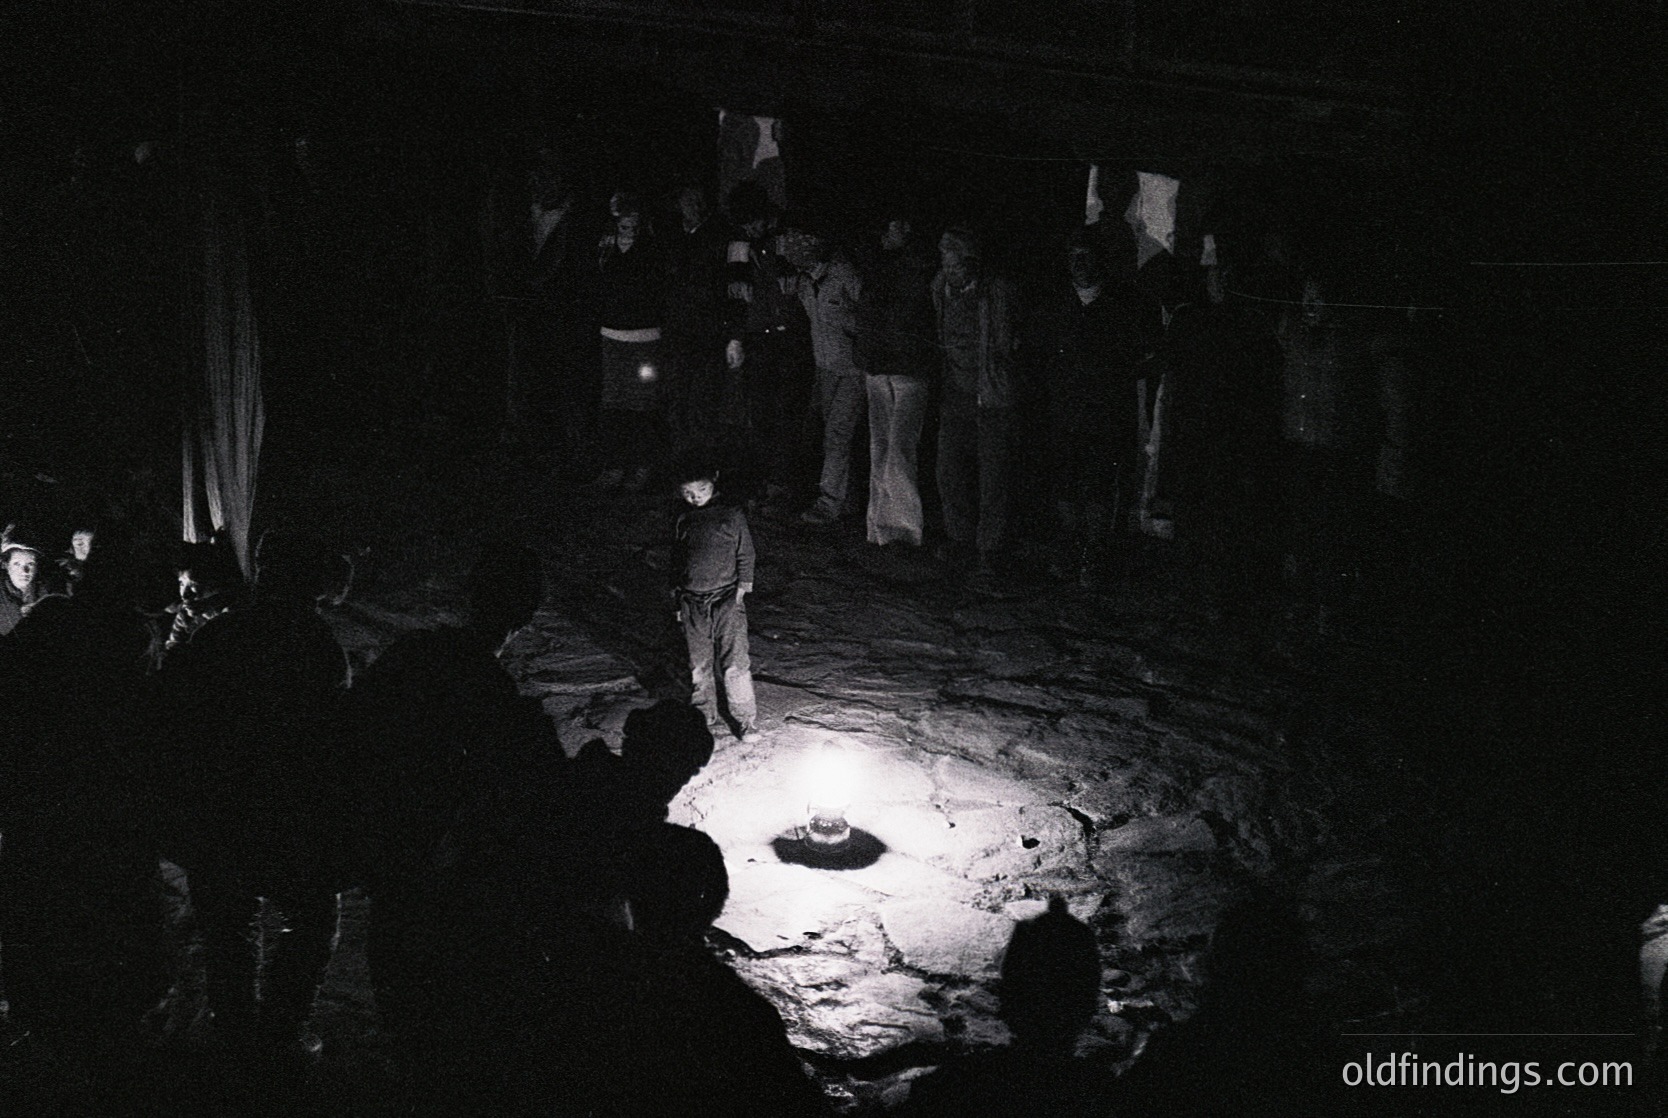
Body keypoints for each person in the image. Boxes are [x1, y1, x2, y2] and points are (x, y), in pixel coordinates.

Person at [1035, 223, 1163, 584]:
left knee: (1099, 487)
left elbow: (1152, 355)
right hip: (1065, 413)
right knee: (1065, 485)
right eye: (1074, 257)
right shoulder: (1057, 305)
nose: (1080, 265)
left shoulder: (1126, 306)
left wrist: (1118, 374)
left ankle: (1095, 554)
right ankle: (1069, 547)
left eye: (1086, 257)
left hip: (1107, 417)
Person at [931, 228, 1020, 583]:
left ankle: (990, 549)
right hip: (955, 391)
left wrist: (1001, 380)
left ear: (972, 263)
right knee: (949, 471)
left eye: (955, 264)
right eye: (945, 263)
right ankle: (960, 540)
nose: (950, 270)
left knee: (993, 475)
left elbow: (1005, 345)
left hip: (991, 394)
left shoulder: (995, 292)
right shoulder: (940, 286)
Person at [723, 180, 813, 509]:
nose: (750, 227)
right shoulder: (739, 242)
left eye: (754, 220)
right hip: (757, 338)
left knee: (787, 414)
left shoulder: (785, 238)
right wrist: (735, 336)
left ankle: (781, 483)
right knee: (759, 414)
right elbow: (735, 294)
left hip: (789, 338)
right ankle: (761, 480)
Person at [854, 213, 938, 547]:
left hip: (907, 366)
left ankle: (903, 530)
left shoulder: (915, 265)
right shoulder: (878, 264)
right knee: (883, 449)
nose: (904, 228)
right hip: (882, 364)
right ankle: (879, 528)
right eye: (897, 223)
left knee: (898, 451)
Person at [670, 454, 760, 742]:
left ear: (714, 482)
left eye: (701, 491)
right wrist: (677, 600)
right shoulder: (683, 518)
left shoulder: (732, 516)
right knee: (698, 663)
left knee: (735, 661)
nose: (695, 498)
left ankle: (746, 720)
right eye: (688, 493)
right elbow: (677, 559)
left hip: (726, 599)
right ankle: (702, 716)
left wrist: (742, 589)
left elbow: (746, 554)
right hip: (692, 601)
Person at [788, 228, 867, 525]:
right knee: (833, 433)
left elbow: (868, 314)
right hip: (825, 367)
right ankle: (848, 500)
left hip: (851, 368)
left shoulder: (843, 274)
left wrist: (851, 327)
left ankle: (829, 501)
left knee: (838, 432)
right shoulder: (806, 281)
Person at [594, 191, 669, 491]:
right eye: (622, 220)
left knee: (642, 403)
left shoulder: (652, 248)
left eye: (633, 220)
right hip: (612, 335)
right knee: (613, 403)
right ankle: (614, 465)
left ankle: (641, 467)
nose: (627, 226)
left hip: (644, 337)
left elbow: (655, 288)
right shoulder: (604, 248)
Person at [0, 527, 46, 635]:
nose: (25, 571)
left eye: (30, 564)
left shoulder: (48, 592)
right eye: (17, 564)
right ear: (6, 565)